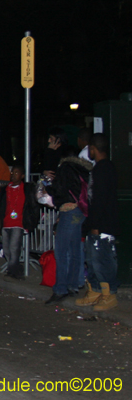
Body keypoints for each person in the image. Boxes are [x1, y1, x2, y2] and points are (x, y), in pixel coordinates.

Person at [76, 133, 120, 311]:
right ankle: (94, 291)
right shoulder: (101, 168)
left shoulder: (103, 169)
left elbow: (100, 200)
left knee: (103, 260)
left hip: (102, 225)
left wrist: (94, 224)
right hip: (98, 223)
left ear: (93, 149)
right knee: (93, 259)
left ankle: (109, 294)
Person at [44, 154, 92, 304]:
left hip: (69, 210)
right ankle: (72, 285)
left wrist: (48, 189)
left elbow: (60, 189)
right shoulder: (82, 169)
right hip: (80, 211)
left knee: (61, 252)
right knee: (75, 249)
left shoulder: (65, 168)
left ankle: (60, 289)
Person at [0, 165, 39, 279]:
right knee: (6, 249)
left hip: (19, 223)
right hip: (6, 222)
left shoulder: (27, 189)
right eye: (12, 172)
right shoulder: (5, 189)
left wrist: (31, 223)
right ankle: (16, 269)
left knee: (14, 247)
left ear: (22, 176)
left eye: (16, 173)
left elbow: (34, 207)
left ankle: (13, 271)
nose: (13, 175)